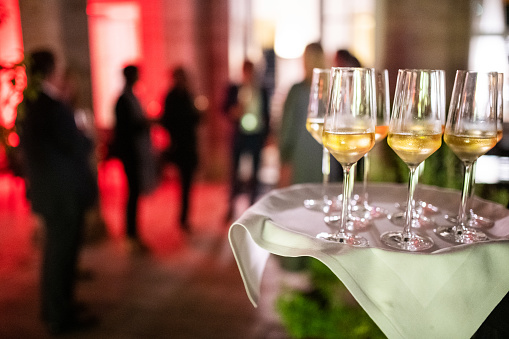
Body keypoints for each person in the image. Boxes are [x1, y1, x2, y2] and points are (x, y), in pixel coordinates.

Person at [17, 49, 98, 335]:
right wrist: (87, 133)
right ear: (51, 70)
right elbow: (78, 146)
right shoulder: (50, 105)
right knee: (59, 254)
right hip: (60, 194)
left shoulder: (34, 103)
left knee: (63, 252)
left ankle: (61, 305)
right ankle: (57, 313)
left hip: (54, 191)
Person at [279, 42, 341, 187]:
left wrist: (283, 156)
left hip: (302, 155)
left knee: (303, 195)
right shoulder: (333, 90)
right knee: (325, 191)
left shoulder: (297, 91)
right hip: (328, 153)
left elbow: (287, 127)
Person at [111, 65, 156, 252]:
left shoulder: (132, 98)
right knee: (133, 192)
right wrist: (145, 123)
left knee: (135, 192)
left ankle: (133, 232)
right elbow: (125, 129)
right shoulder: (123, 100)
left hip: (135, 151)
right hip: (130, 153)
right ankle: (131, 233)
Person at [223, 60, 270, 220]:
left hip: (256, 135)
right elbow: (224, 109)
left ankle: (252, 207)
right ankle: (231, 207)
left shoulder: (261, 90)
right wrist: (235, 111)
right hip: (240, 136)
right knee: (234, 174)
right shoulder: (234, 89)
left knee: (255, 174)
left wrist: (267, 134)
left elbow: (267, 114)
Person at [160, 66, 200, 233]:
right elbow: (167, 121)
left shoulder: (189, 96)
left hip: (189, 146)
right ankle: (182, 218)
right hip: (179, 146)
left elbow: (195, 119)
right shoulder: (171, 97)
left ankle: (184, 218)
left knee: (187, 185)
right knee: (182, 185)